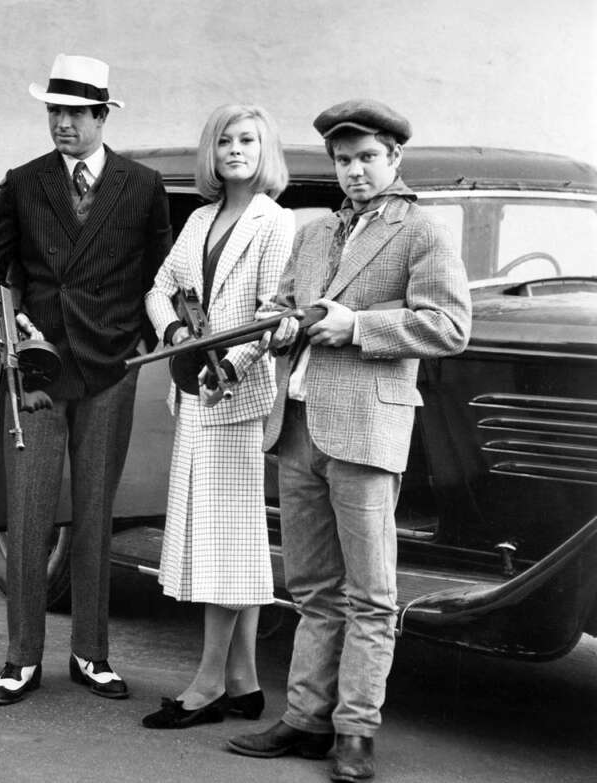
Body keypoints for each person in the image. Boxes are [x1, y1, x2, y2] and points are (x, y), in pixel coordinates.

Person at [227, 100, 471, 781]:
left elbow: (449, 325)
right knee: (311, 588)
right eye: (343, 160)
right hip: (299, 426)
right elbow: (279, 307)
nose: (354, 171)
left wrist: (357, 326)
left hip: (366, 431)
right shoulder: (313, 234)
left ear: (395, 158)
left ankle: (356, 729)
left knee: (371, 593)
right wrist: (277, 326)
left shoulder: (420, 232)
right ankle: (305, 718)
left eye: (367, 157)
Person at [0, 53, 172, 705]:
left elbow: (160, 277)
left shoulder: (141, 187)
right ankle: (21, 657)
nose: (60, 123)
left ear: (100, 116)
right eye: (53, 111)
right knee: (29, 512)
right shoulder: (23, 182)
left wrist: (138, 340)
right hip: (36, 367)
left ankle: (91, 653)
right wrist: (13, 326)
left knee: (94, 512)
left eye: (73, 113)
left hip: (109, 367)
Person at [140, 104, 294, 729]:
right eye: (225, 140)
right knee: (233, 542)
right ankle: (243, 682)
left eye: (248, 139)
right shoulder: (201, 218)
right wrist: (177, 332)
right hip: (194, 393)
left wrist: (224, 365)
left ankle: (205, 685)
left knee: (226, 543)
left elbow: (270, 312)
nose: (235, 149)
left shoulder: (275, 223)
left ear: (266, 150)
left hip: (233, 396)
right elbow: (158, 288)